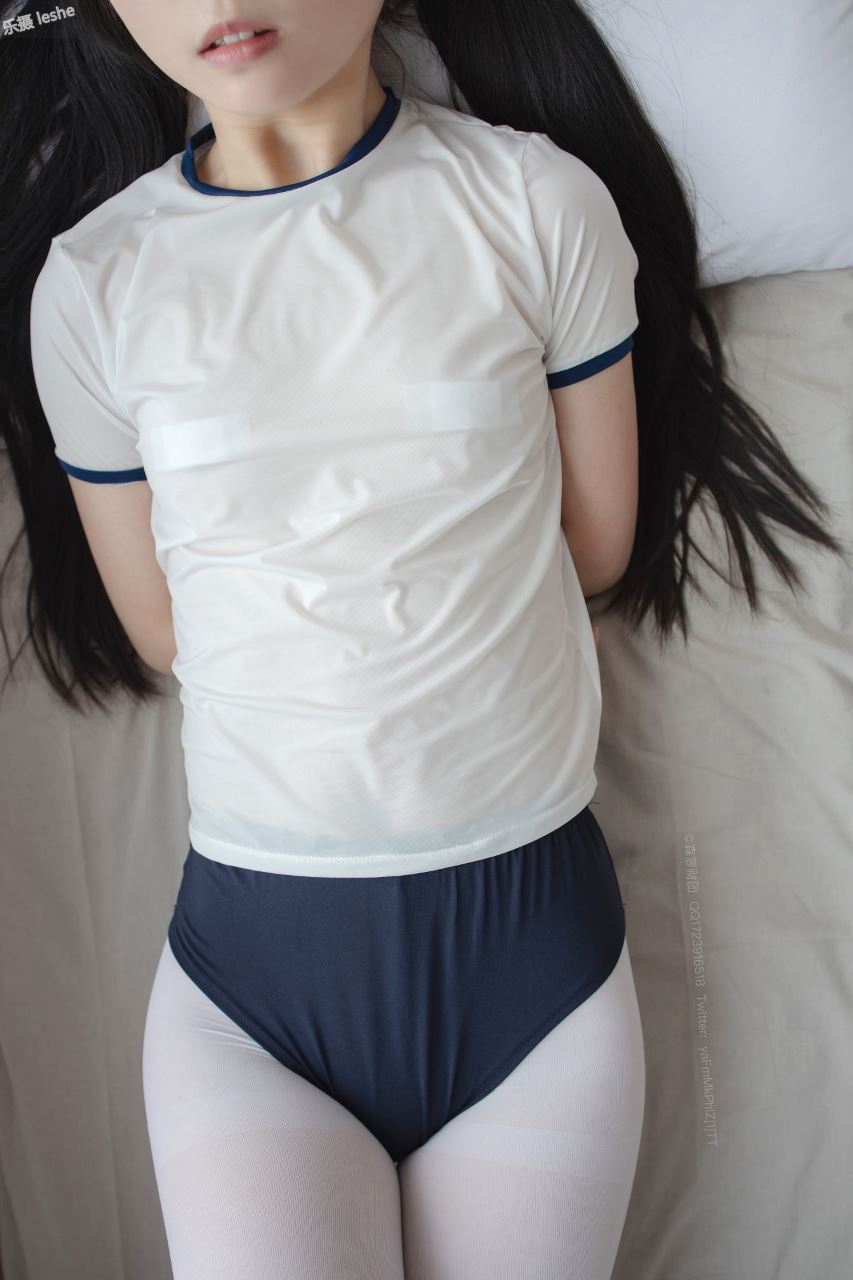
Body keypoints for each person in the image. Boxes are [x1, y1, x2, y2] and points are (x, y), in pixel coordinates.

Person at [10, 2, 846, 1277]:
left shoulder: (536, 202)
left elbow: (597, 549)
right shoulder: (90, 284)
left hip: (535, 991)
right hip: (253, 1003)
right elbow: (164, 631)